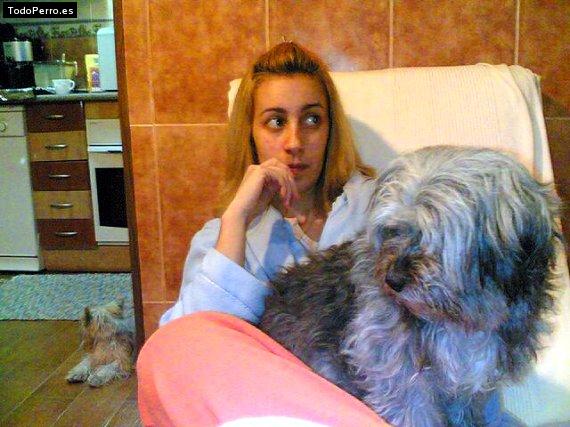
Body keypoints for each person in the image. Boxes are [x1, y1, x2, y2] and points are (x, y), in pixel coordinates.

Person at [137, 42, 515, 426]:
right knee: (164, 349)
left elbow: (462, 308)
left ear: (331, 129)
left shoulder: (387, 208)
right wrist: (235, 219)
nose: (295, 142)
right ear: (249, 134)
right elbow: (190, 352)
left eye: (312, 119)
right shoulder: (221, 239)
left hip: (384, 403)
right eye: (275, 122)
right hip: (271, 406)